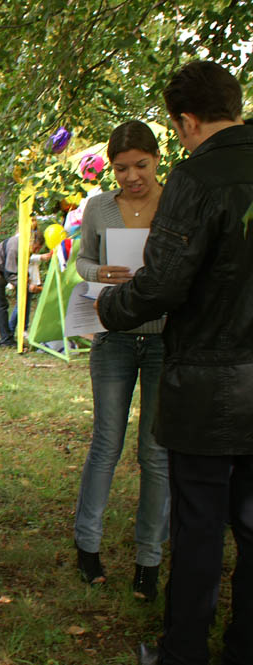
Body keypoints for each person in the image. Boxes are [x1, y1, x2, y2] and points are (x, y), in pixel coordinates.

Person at [96, 61, 253, 665]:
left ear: (186, 122)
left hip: (207, 382)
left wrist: (110, 306)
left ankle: (183, 651)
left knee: (199, 523)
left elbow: (162, 282)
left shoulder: (196, 177)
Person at [73, 120, 168, 603]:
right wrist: (100, 271)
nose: (132, 177)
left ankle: (149, 558)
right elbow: (82, 261)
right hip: (112, 335)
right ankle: (86, 546)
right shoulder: (99, 207)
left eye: (140, 165)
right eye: (121, 168)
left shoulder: (176, 202)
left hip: (165, 339)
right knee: (106, 442)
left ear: (157, 159)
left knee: (155, 452)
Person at [0, 232, 44, 348]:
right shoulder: (15, 247)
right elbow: (11, 274)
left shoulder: (24, 246)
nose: (36, 251)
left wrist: (27, 280)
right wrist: (27, 286)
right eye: (36, 248)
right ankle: (6, 340)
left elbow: (21, 268)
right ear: (32, 242)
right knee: (0, 307)